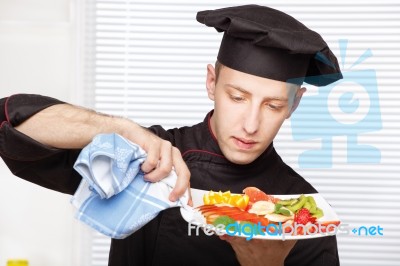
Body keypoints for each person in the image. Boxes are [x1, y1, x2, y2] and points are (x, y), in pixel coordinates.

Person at [0, 5, 342, 266]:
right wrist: (122, 129)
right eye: (237, 97)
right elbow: (10, 125)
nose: (250, 125)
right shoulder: (147, 157)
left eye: (272, 106)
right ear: (212, 83)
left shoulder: (305, 208)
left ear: (294, 104)